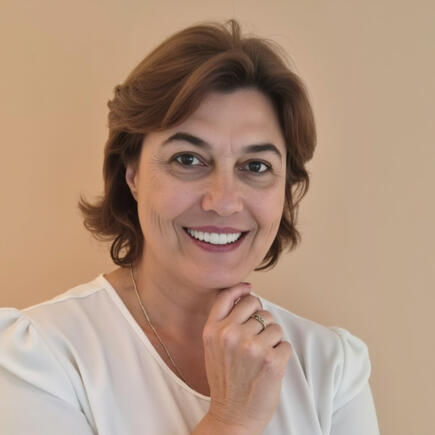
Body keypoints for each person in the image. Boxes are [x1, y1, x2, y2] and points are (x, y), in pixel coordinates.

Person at [0, 19, 380, 434]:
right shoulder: (41, 357)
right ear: (132, 175)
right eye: (188, 160)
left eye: (256, 166)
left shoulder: (330, 370)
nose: (224, 201)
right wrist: (232, 417)